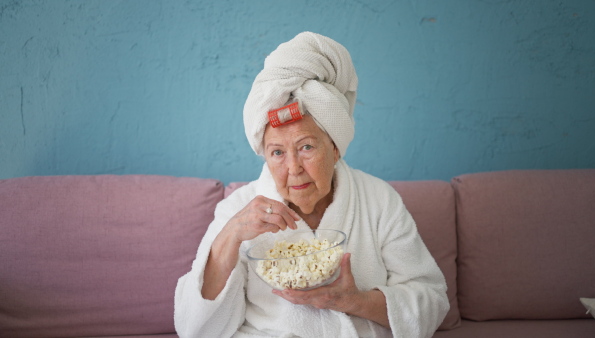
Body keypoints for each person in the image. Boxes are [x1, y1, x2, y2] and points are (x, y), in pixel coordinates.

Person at [174, 32, 449, 338]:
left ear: (334, 148)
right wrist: (229, 239)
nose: (293, 168)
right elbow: (194, 330)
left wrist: (352, 301)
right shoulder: (237, 211)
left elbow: (432, 301)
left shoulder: (378, 200)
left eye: (306, 147)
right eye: (277, 152)